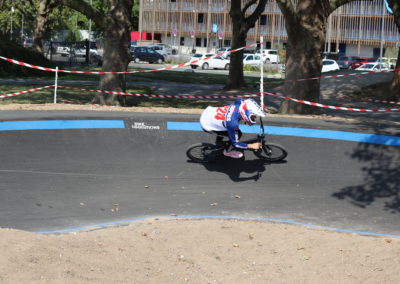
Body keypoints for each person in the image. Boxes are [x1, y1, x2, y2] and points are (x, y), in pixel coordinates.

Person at [200, 98, 266, 158]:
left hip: (209, 113)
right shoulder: (233, 124)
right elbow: (236, 144)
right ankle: (226, 151)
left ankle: (219, 142)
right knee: (238, 134)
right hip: (206, 124)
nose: (254, 118)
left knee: (228, 130)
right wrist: (252, 146)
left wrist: (259, 110)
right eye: (253, 116)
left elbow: (246, 104)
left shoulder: (239, 103)